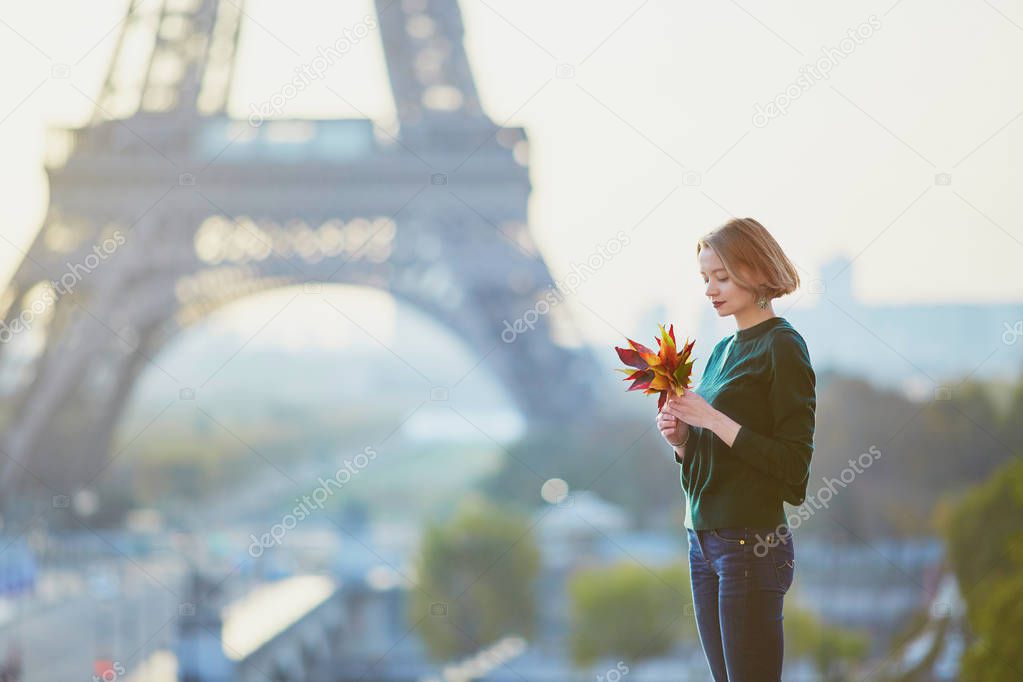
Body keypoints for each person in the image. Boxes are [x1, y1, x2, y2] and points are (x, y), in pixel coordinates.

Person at [657, 217, 816, 681]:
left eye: (722, 277)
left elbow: (793, 472)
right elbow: (709, 469)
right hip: (701, 541)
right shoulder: (721, 350)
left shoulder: (782, 347)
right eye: (705, 278)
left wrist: (712, 418)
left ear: (756, 269)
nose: (710, 289)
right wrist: (683, 441)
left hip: (751, 545)